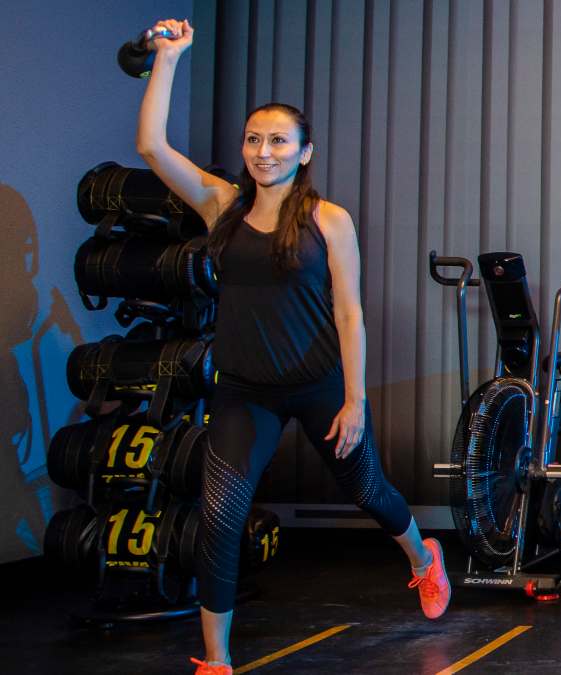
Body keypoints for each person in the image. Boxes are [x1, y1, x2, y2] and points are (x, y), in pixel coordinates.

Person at [134, 19, 451, 675]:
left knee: (369, 493)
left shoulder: (328, 220)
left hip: (317, 385)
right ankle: (216, 661)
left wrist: (355, 400)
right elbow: (151, 147)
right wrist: (168, 59)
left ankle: (422, 558)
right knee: (220, 517)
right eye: (254, 139)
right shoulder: (222, 204)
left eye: (278, 140)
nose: (263, 151)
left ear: (304, 152)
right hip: (244, 391)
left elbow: (348, 311)